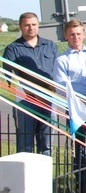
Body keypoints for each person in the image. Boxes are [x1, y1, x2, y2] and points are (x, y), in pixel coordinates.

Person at [2, 11, 58, 156]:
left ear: (38, 25)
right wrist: (32, 94)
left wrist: (48, 92)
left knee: (47, 145)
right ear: (20, 26)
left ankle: (45, 178)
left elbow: (57, 74)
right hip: (26, 102)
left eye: (34, 24)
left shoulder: (50, 46)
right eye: (27, 25)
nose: (31, 28)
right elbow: (9, 80)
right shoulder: (12, 49)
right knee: (25, 145)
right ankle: (25, 178)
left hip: (49, 100)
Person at [53, 19, 86, 193]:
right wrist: (81, 101)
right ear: (66, 36)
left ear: (84, 34)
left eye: (79, 33)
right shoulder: (62, 60)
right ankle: (82, 188)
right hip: (76, 108)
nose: (76, 37)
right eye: (72, 34)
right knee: (79, 148)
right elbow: (62, 87)